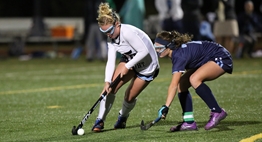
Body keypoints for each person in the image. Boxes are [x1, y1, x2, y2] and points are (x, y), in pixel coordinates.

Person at [91, 2, 160, 132]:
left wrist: (127, 66)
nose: (108, 35)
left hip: (148, 66)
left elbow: (143, 51)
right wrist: (107, 81)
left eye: (110, 31)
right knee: (110, 89)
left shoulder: (127, 32)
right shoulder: (111, 38)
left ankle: (123, 116)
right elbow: (110, 61)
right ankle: (100, 120)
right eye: (104, 32)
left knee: (129, 96)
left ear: (117, 24)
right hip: (130, 59)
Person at [154, 30, 233, 131]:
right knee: (182, 84)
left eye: (159, 48)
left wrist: (166, 106)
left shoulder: (179, 56)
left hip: (220, 57)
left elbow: (173, 85)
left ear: (169, 46)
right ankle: (189, 122)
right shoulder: (176, 53)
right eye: (156, 47)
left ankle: (217, 111)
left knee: (194, 79)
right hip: (209, 57)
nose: (157, 50)